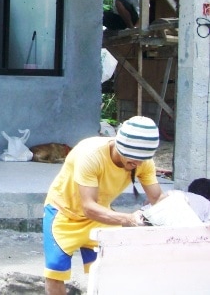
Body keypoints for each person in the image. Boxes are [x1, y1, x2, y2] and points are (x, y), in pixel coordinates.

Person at [42, 116, 164, 295]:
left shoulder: (143, 162)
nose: (137, 165)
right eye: (132, 160)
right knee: (55, 273)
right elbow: (89, 207)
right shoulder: (91, 155)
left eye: (141, 160)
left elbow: (157, 198)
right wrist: (130, 219)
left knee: (111, 268)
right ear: (120, 146)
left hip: (100, 214)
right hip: (64, 213)